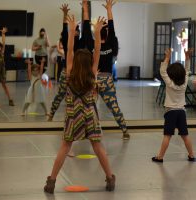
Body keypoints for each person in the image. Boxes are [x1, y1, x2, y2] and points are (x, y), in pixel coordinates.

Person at [44, 15, 115, 194]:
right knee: (98, 147)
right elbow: (97, 50)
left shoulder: (69, 73)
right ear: (90, 62)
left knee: (65, 147)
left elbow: (69, 50)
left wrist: (71, 30)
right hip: (90, 114)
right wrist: (97, 32)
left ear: (74, 61)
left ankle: (51, 181)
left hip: (72, 115)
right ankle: (109, 178)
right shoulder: (92, 73)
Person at [49, 0, 130, 140]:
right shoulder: (112, 44)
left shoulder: (92, 45)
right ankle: (124, 130)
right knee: (113, 106)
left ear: (98, 35)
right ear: (108, 35)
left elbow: (86, 30)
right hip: (105, 79)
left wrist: (85, 9)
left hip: (92, 78)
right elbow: (111, 28)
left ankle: (80, 128)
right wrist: (109, 10)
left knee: (87, 105)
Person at [152, 48, 195, 163]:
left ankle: (160, 157)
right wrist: (187, 57)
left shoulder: (169, 83)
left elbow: (162, 71)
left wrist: (167, 57)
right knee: (185, 135)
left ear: (171, 75)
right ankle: (191, 155)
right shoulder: (185, 81)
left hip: (170, 112)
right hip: (181, 112)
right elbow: (187, 70)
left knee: (167, 135)